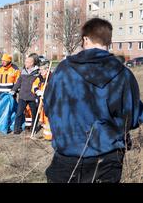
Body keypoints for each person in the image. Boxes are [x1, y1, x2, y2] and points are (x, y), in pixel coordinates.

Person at [44, 18, 142, 183]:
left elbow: (49, 107)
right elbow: (132, 118)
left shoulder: (62, 70)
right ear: (108, 42)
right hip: (107, 157)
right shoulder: (123, 74)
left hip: (68, 154)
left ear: (85, 39)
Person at [10, 55, 40, 135]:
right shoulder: (23, 72)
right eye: (25, 61)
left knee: (34, 114)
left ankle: (33, 129)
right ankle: (16, 129)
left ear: (32, 63)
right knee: (19, 113)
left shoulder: (37, 73)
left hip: (32, 97)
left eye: (27, 62)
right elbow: (18, 82)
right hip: (22, 96)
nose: (25, 63)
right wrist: (13, 90)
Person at [31, 61, 52, 140]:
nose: (40, 71)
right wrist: (37, 91)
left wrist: (46, 93)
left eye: (42, 70)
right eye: (40, 70)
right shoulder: (39, 77)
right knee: (42, 118)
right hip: (41, 100)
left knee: (48, 118)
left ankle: (49, 136)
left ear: (47, 70)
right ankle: (45, 134)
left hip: (49, 102)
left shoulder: (51, 78)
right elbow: (34, 85)